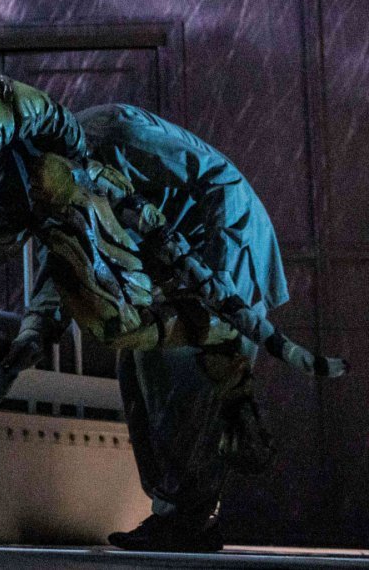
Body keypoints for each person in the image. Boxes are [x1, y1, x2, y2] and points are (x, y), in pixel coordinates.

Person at [65, 104, 288, 554]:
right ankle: (180, 513)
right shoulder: (64, 166)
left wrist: (216, 280)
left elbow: (220, 182)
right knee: (139, 372)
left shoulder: (113, 134)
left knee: (178, 374)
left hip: (221, 247)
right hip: (179, 262)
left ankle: (188, 516)